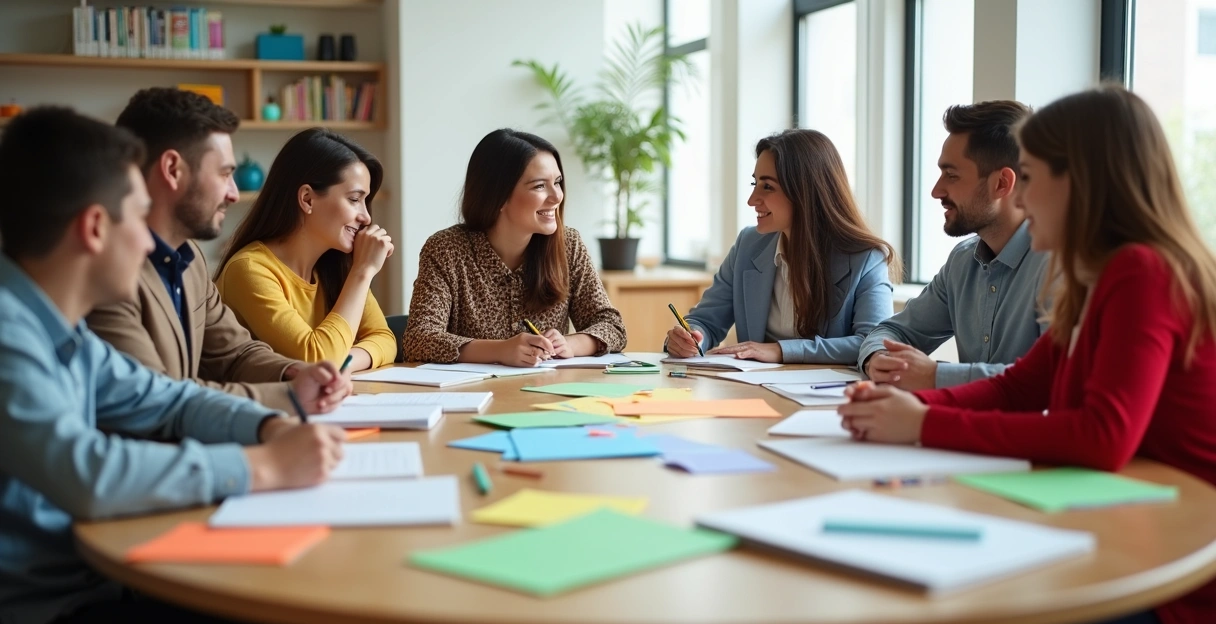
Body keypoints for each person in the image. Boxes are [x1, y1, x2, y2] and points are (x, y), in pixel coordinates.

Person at [839, 86, 1216, 624]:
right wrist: (907, 405)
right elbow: (1020, 388)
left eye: (1033, 178)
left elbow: (1103, 435)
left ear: (1081, 183)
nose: (1024, 198)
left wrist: (923, 421)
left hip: (1171, 563)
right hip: (1115, 520)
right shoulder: (1097, 275)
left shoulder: (1143, 271)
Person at [0, 107, 345, 624]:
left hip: (98, 579)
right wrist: (263, 466)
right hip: (44, 613)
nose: (149, 244)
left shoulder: (61, 331)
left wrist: (266, 427)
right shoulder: (9, 334)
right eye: (138, 220)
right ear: (94, 228)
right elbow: (86, 473)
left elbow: (167, 398)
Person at [86, 88, 349, 415]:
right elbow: (158, 399)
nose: (234, 194)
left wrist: (293, 372)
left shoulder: (189, 258)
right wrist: (288, 397)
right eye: (225, 174)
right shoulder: (106, 274)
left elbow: (236, 353)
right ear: (172, 169)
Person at [857, 101, 1048, 389]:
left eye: (952, 175)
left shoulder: (1058, 265)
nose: (936, 190)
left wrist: (936, 376)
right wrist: (879, 358)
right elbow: (891, 331)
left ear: (1001, 184)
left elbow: (1051, 381)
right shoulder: (962, 260)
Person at [665, 129, 898, 364]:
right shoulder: (748, 245)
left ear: (805, 191)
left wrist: (780, 350)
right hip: (756, 391)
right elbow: (706, 321)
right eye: (755, 183)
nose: (752, 200)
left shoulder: (866, 258)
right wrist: (690, 338)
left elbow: (874, 342)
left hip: (827, 396)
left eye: (767, 187)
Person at [402, 129, 626, 366]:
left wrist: (571, 344)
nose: (556, 196)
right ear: (498, 195)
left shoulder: (568, 245)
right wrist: (499, 350)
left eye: (557, 182)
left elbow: (613, 327)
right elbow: (419, 339)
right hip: (471, 397)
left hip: (546, 395)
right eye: (540, 186)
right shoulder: (445, 250)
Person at [214, 128, 397, 372]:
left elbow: (385, 339)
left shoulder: (337, 264)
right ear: (308, 199)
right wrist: (363, 272)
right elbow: (317, 359)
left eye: (366, 201)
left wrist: (343, 363)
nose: (365, 216)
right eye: (354, 199)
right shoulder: (249, 270)